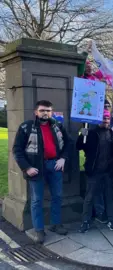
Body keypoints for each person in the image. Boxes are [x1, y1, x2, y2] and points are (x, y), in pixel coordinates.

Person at [13, 100, 71, 243]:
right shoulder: (26, 127)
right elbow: (17, 150)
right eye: (42, 110)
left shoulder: (57, 126)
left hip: (55, 165)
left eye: (48, 110)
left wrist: (63, 158)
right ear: (36, 112)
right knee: (37, 200)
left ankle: (55, 224)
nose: (46, 113)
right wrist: (27, 167)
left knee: (57, 196)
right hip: (36, 167)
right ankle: (39, 230)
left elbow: (69, 143)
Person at [77, 110, 113, 233]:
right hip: (94, 171)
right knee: (89, 197)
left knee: (110, 197)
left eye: (107, 119)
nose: (106, 121)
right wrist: (82, 134)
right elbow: (79, 146)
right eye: (103, 119)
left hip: (108, 172)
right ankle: (85, 221)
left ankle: (112, 220)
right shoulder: (91, 133)